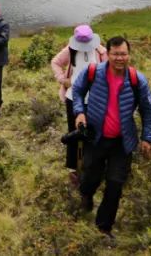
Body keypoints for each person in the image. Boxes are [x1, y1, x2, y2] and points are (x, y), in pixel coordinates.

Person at [72, 36, 151, 239]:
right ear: (107, 54)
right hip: (96, 137)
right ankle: (86, 194)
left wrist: (149, 137)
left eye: (123, 54)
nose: (120, 58)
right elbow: (77, 90)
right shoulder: (94, 72)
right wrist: (79, 112)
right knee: (91, 176)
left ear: (128, 54)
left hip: (123, 141)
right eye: (115, 54)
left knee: (115, 184)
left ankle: (104, 227)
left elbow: (149, 110)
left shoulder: (137, 79)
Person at [50, 24, 108, 187]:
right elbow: (55, 62)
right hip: (73, 98)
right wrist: (62, 79)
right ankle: (73, 168)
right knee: (74, 133)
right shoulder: (70, 49)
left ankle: (91, 167)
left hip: (95, 100)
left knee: (93, 133)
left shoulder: (100, 52)